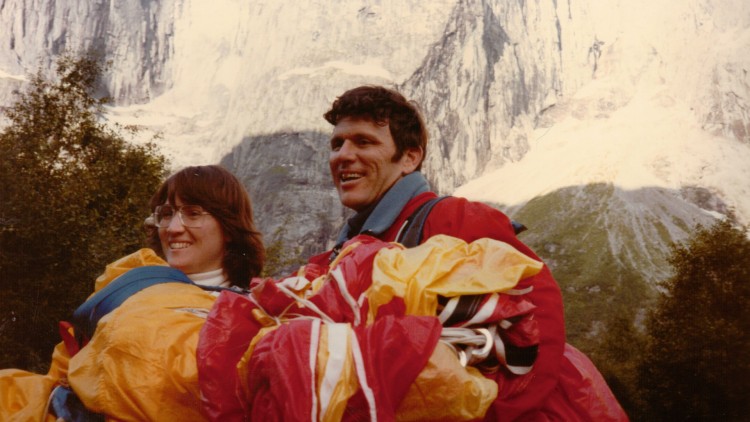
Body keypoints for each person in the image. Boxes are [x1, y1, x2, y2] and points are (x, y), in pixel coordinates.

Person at [306, 85, 625, 421]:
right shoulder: (343, 251)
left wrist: (497, 412)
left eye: (364, 141)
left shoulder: (451, 219)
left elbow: (538, 313)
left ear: (409, 158)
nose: (343, 155)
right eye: (337, 143)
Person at [0, 164, 265, 421]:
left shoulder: (259, 314)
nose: (173, 228)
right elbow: (62, 372)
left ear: (229, 227)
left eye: (193, 214)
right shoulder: (129, 281)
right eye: (166, 213)